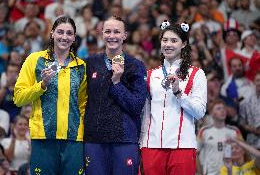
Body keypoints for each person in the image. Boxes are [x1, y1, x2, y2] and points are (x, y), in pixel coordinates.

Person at [13, 16, 87, 175]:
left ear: (74, 38)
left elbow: (83, 105)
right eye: (60, 32)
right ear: (52, 33)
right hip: (43, 139)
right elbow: (18, 98)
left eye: (69, 33)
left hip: (73, 140)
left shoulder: (81, 66)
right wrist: (42, 85)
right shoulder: (34, 60)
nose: (64, 37)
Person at [139, 20, 207, 175]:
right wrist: (142, 143)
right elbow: (145, 113)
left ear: (183, 44)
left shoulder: (196, 74)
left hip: (182, 145)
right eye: (165, 40)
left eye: (174, 40)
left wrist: (179, 93)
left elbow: (200, 112)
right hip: (152, 145)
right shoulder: (150, 74)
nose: (168, 44)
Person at [84, 15, 147, 175]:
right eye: (108, 31)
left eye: (117, 32)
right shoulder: (90, 63)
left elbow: (137, 105)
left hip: (124, 139)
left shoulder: (135, 66)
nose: (112, 36)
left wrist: (117, 83)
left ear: (125, 35)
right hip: (94, 139)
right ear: (102, 34)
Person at [197, 99, 242, 175]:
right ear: (212, 113)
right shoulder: (204, 131)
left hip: (231, 173)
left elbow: (243, 153)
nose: (222, 110)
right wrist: (201, 173)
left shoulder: (235, 131)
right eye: (218, 108)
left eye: (223, 108)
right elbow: (195, 153)